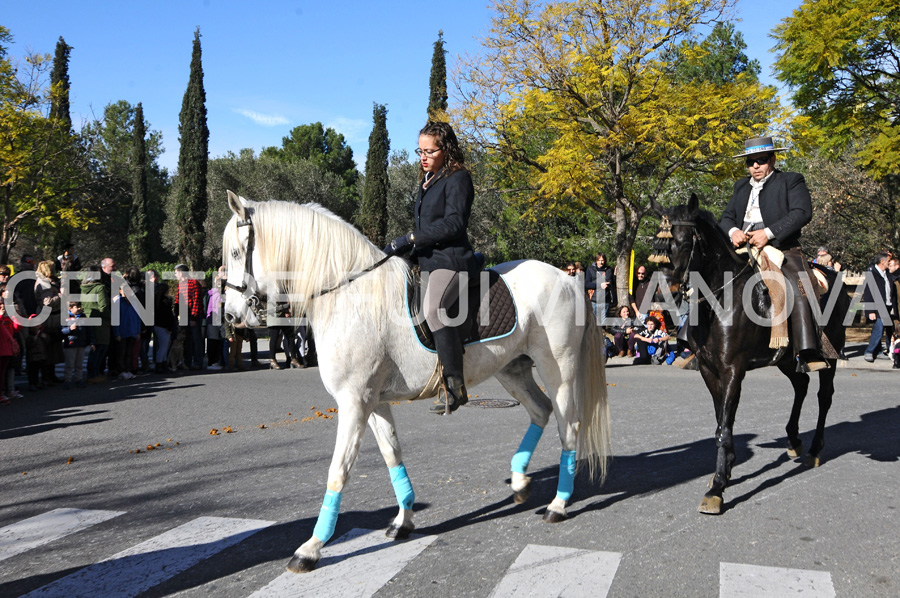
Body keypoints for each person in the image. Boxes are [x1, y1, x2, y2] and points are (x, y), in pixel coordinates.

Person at [384, 121, 477, 414]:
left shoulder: (458, 178)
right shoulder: (429, 179)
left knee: (434, 309)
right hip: (426, 258)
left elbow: (453, 224)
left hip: (451, 261)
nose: (423, 157)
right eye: (420, 151)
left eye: (429, 151)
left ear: (446, 149)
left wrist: (411, 237)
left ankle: (454, 385)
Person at [719, 136, 828, 373]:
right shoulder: (740, 186)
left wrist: (768, 233)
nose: (755, 166)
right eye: (750, 162)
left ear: (772, 159)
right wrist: (733, 230)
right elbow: (726, 217)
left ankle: (807, 351)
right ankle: (694, 345)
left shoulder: (791, 180)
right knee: (707, 283)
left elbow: (802, 212)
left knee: (799, 288)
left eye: (761, 160)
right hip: (742, 250)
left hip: (782, 248)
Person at [862, 251, 896, 362]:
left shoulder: (887, 274)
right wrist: (870, 310)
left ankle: (879, 351)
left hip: (887, 306)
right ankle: (869, 351)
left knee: (887, 329)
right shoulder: (872, 274)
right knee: (879, 329)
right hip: (877, 307)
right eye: (888, 261)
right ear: (882, 261)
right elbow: (868, 293)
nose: (889, 263)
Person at [34, 260, 63, 382]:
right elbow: (48, 302)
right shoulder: (44, 284)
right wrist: (61, 296)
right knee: (48, 348)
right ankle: (47, 376)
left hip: (52, 318)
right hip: (48, 319)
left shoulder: (49, 282)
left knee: (53, 348)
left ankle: (51, 375)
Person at [83, 262, 113, 382]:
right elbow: (103, 306)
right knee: (101, 349)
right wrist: (110, 317)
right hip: (101, 322)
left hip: (88, 318)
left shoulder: (83, 287)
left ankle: (92, 373)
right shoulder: (100, 288)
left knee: (94, 349)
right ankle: (95, 374)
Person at [174, 264, 204, 370]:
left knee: (196, 339)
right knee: (186, 339)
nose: (175, 275)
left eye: (176, 272)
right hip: (184, 315)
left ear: (181, 273)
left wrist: (194, 318)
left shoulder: (194, 283)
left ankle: (198, 362)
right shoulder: (181, 284)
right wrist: (176, 313)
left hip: (192, 315)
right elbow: (178, 300)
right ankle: (186, 362)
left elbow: (196, 301)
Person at [61, 301, 89, 388]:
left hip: (81, 343)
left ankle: (79, 379)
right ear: (70, 308)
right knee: (69, 363)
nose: (79, 308)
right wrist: (69, 329)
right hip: (70, 343)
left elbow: (88, 330)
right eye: (77, 307)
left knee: (79, 364)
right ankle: (67, 380)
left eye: (80, 306)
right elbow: (61, 331)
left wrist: (89, 341)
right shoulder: (65, 317)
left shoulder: (83, 316)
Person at [585, 253, 615, 326]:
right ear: (596, 261)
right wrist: (600, 285)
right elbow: (587, 284)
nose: (601, 262)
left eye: (602, 260)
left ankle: (602, 336)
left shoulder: (609, 269)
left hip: (605, 300)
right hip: (594, 300)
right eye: (599, 260)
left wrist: (614, 276)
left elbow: (612, 282)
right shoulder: (590, 269)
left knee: (603, 323)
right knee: (594, 322)